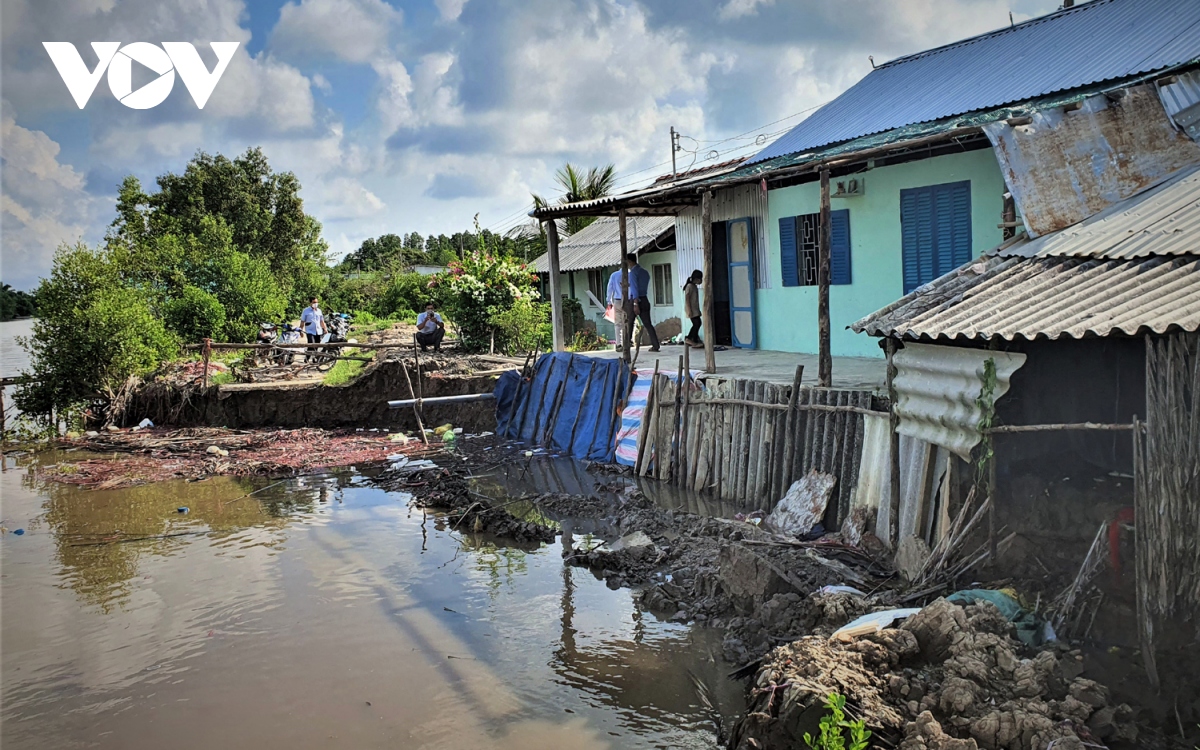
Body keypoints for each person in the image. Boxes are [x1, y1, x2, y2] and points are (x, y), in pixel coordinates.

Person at [606, 254, 638, 353]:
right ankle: (628, 341)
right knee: (629, 322)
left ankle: (618, 344)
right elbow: (635, 289)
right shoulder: (632, 274)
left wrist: (609, 301)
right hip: (629, 300)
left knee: (618, 324)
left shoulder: (614, 275)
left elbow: (609, 288)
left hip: (617, 300)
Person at [629, 254, 660, 352]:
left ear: (629, 261)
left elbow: (634, 288)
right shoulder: (645, 272)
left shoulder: (633, 273)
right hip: (645, 299)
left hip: (636, 300)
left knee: (629, 322)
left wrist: (635, 303)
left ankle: (627, 343)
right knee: (648, 324)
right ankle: (655, 345)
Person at [300, 297, 326, 362]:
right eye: (314, 302)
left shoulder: (319, 311)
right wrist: (300, 331)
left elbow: (322, 321)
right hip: (310, 331)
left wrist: (325, 328)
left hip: (318, 330)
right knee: (311, 343)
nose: (316, 303)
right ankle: (313, 357)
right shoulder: (306, 311)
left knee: (316, 345)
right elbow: (302, 321)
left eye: (316, 302)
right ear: (310, 303)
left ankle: (309, 358)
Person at [683, 269, 703, 347]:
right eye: (700, 279)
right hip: (691, 309)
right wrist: (689, 310)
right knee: (696, 323)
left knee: (698, 323)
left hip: (695, 309)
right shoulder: (689, 286)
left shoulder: (694, 286)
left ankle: (694, 339)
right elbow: (687, 299)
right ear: (696, 279)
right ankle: (689, 338)